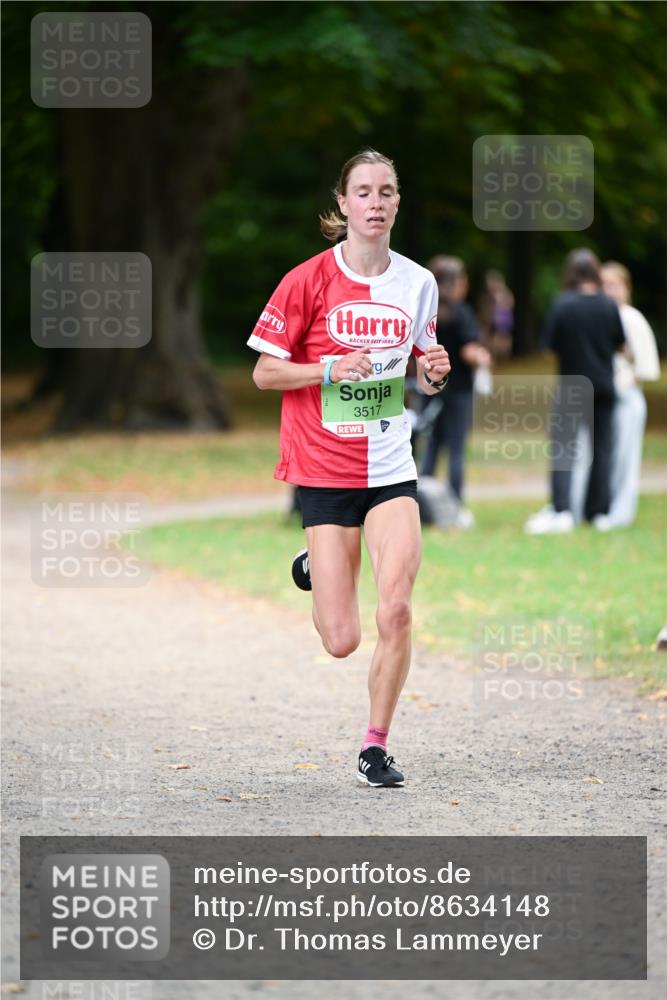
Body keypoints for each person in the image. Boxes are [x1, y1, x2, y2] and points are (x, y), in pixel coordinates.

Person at [248, 150, 451, 788]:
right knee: (341, 639)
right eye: (363, 192)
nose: (375, 202)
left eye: (386, 191)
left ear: (397, 202)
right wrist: (329, 368)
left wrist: (434, 373)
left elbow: (424, 367)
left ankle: (375, 746)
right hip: (325, 469)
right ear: (343, 204)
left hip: (390, 468)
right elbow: (264, 373)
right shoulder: (306, 280)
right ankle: (315, 561)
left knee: (397, 610)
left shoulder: (418, 283)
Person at [524, 249, 625, 534]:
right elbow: (620, 343)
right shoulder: (608, 304)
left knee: (563, 450)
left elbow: (548, 348)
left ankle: (563, 510)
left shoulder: (563, 304)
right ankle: (598, 513)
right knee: (602, 449)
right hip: (604, 385)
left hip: (572, 386)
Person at [419, 256, 491, 527]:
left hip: (430, 390)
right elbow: (469, 351)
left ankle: (421, 505)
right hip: (459, 390)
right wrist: (482, 357)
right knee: (456, 450)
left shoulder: (427, 311)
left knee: (430, 447)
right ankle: (456, 507)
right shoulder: (461, 312)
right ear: (456, 282)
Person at [478, 269, 514, 359]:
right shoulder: (487, 297)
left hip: (502, 326)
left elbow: (510, 305)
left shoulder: (505, 294)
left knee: (502, 346)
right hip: (491, 326)